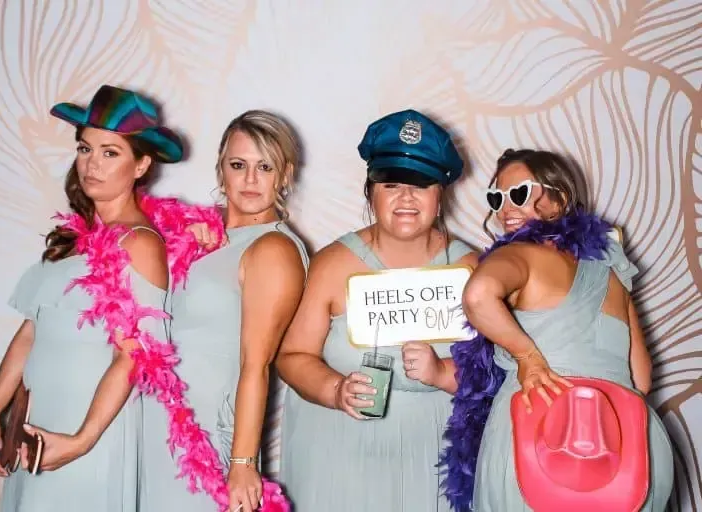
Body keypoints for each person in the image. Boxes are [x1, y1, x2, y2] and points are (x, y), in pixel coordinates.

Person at [0, 85, 217, 511]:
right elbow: (33, 330)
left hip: (87, 424)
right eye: (86, 149)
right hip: (36, 417)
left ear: (141, 164)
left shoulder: (141, 243)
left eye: (111, 153)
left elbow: (134, 354)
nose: (92, 165)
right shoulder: (73, 238)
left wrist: (81, 441)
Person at [275, 109, 478, 511]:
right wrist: (334, 390)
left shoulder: (474, 271)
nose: (406, 197)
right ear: (371, 192)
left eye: (421, 185)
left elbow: (498, 374)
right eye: (391, 184)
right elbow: (292, 357)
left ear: (441, 195)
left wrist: (441, 373)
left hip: (433, 470)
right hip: (339, 466)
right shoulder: (333, 264)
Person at [451, 148, 674, 511]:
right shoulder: (613, 275)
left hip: (540, 438)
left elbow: (477, 296)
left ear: (558, 200)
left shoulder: (519, 254)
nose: (505, 208)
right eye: (497, 198)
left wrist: (528, 358)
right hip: (629, 446)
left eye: (519, 193)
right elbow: (642, 379)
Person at [139, 110, 308, 512]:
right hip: (154, 426)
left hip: (209, 440)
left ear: (284, 174)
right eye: (238, 165)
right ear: (221, 169)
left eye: (264, 167)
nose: (250, 180)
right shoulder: (199, 236)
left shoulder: (272, 249)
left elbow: (256, 365)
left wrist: (243, 464)